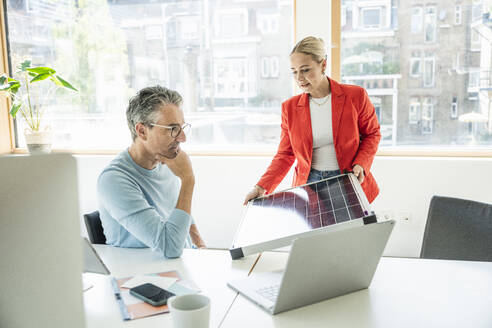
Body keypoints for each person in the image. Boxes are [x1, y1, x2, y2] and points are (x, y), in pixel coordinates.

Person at [244, 36, 381, 205]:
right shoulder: (290, 108)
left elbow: (372, 134)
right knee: (316, 231)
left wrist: (361, 164)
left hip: (348, 179)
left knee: (349, 231)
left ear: (323, 64)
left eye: (305, 70)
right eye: (294, 71)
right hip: (310, 184)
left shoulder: (355, 96)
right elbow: (285, 154)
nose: (299, 78)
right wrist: (261, 187)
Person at [98, 85, 205, 259]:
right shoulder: (114, 180)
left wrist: (200, 245)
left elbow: (180, 210)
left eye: (182, 128)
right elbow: (169, 247)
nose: (183, 138)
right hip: (140, 277)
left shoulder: (167, 161)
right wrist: (188, 180)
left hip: (179, 266)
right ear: (142, 131)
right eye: (172, 129)